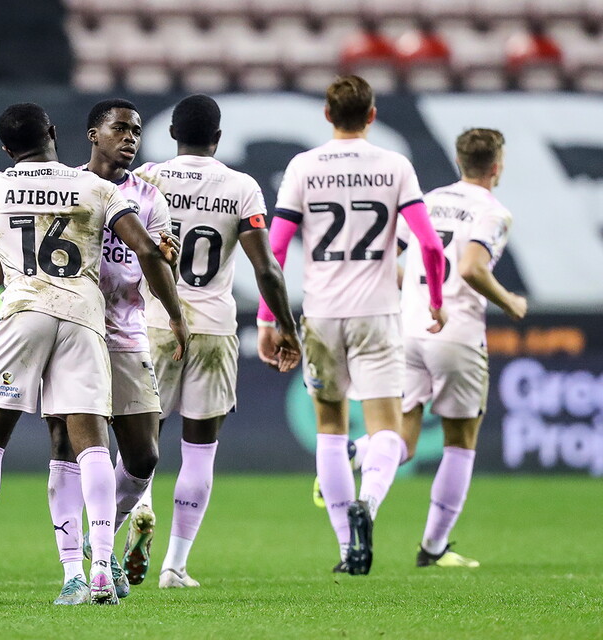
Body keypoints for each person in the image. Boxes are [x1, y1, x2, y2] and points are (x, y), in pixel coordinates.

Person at [0, 103, 187, 605]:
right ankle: (94, 571)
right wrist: (177, 316)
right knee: (88, 445)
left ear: (6, 148)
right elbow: (145, 249)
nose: (130, 137)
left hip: (31, 313)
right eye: (121, 128)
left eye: (135, 131)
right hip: (82, 317)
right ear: (58, 132)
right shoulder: (93, 188)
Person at [256, 75, 446, 576]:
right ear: (372, 115)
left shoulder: (303, 166)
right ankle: (370, 504)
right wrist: (435, 300)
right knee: (387, 429)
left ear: (327, 114)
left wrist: (268, 318)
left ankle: (347, 550)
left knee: (331, 430)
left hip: (321, 317)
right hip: (378, 314)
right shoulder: (395, 165)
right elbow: (429, 244)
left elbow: (275, 249)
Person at [132, 94, 301, 589]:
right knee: (200, 449)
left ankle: (138, 510)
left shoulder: (147, 178)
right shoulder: (240, 187)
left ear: (172, 134)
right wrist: (286, 325)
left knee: (141, 438)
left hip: (155, 322)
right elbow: (266, 268)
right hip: (214, 327)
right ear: (218, 138)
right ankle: (175, 565)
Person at [395, 128, 524, 567]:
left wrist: (412, 293)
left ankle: (354, 453)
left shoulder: (427, 201)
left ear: (458, 160)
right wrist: (509, 302)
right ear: (496, 167)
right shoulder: (494, 212)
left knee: (403, 439)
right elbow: (471, 267)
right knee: (460, 442)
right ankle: (433, 547)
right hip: (456, 334)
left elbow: (388, 260)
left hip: (410, 328)